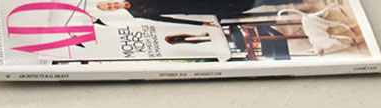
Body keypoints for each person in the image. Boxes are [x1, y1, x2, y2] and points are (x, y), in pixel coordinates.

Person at [96, 0, 302, 28]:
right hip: (202, 7)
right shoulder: (137, 14)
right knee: (252, 3)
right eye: (111, 8)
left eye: (110, 3)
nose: (113, 5)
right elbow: (168, 20)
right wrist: (201, 24)